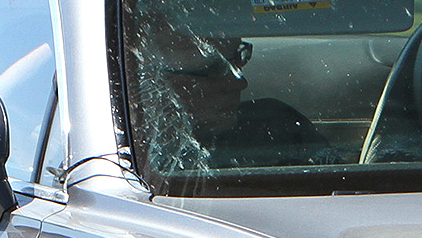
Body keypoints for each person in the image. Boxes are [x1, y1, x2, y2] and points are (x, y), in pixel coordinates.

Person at [136, 24, 330, 169]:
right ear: (146, 81)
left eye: (239, 58)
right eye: (210, 68)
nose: (239, 83)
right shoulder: (119, 169)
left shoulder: (276, 128)